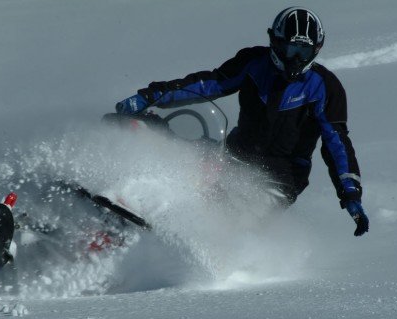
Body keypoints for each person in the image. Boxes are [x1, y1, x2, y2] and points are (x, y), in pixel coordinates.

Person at [115, 7, 369, 236]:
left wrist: (350, 192)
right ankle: (130, 199)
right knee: (180, 158)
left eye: (303, 52)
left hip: (282, 178)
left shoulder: (325, 87)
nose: (295, 59)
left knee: (239, 217)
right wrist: (153, 96)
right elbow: (209, 85)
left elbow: (336, 142)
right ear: (275, 42)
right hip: (236, 153)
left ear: (316, 50)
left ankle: (211, 244)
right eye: (290, 49)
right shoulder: (253, 63)